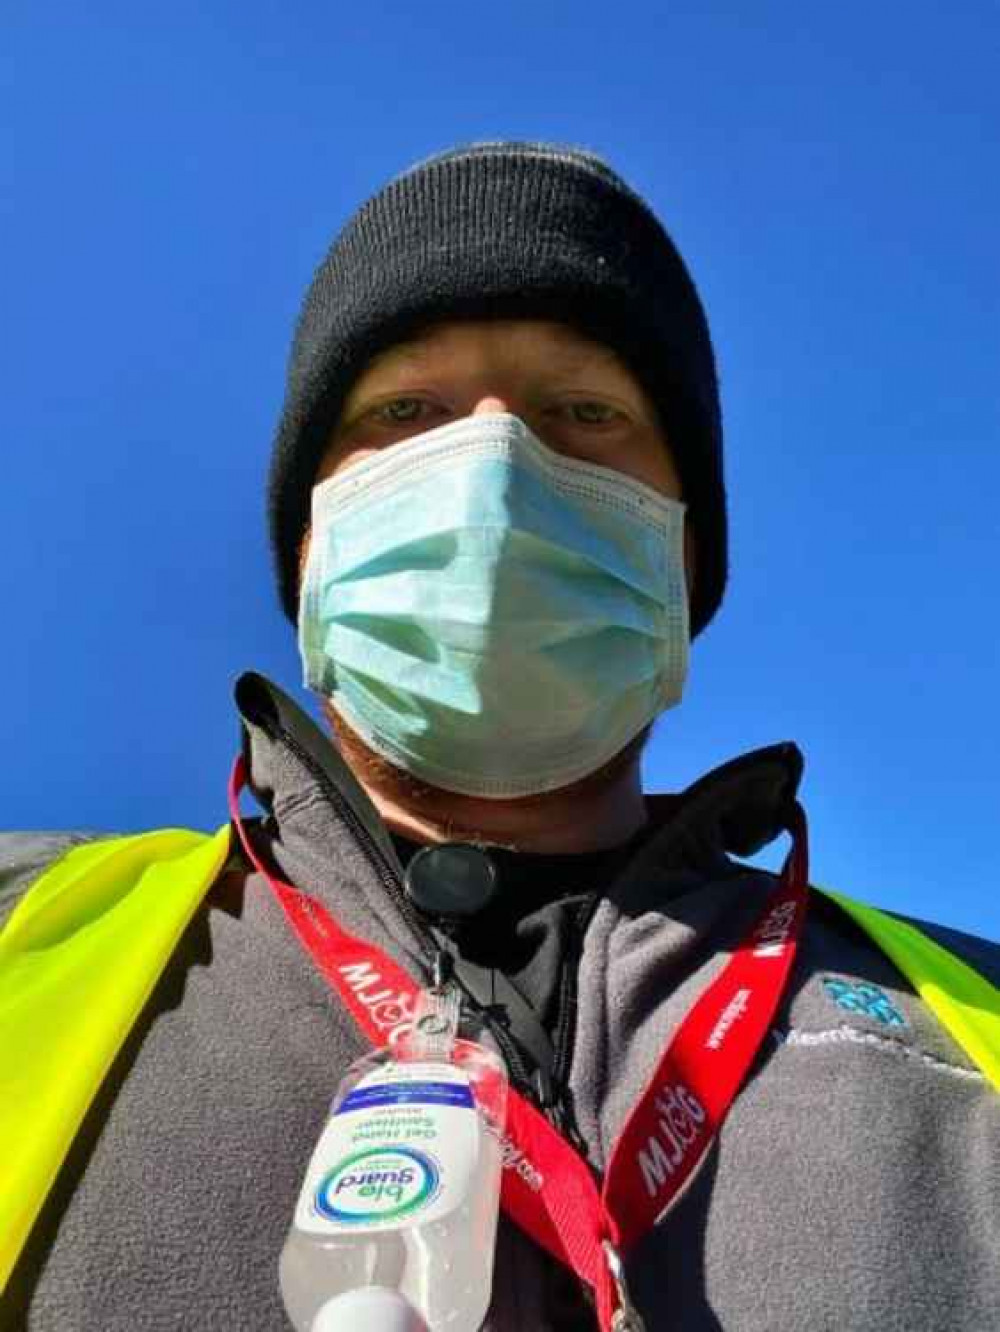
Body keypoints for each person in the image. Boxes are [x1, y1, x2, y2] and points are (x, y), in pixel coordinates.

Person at [1, 142, 998, 1332]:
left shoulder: (967, 1022)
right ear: (308, 544)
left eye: (585, 413)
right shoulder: (26, 933)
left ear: (684, 557)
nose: (496, 473)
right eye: (404, 412)